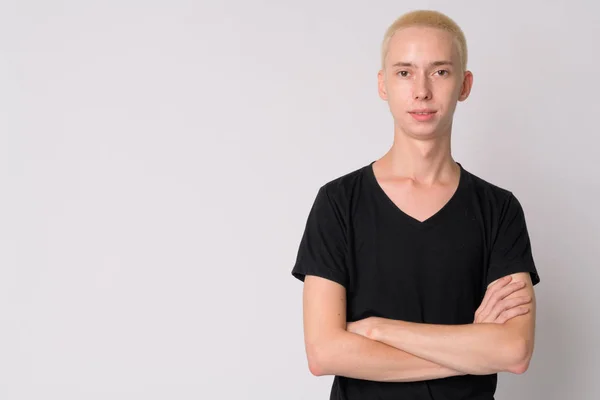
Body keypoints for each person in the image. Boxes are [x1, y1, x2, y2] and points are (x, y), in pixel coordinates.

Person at [290, 9, 541, 400]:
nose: (421, 90)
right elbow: (324, 353)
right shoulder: (338, 203)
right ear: (383, 84)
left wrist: (376, 329)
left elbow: (514, 350)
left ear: (464, 84)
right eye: (404, 72)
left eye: (440, 71)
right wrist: (473, 347)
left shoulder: (499, 209)